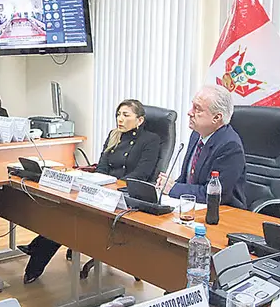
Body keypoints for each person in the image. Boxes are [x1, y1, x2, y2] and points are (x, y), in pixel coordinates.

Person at [19, 100, 162, 284]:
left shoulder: (150, 140)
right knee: (66, 211)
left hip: (125, 197)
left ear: (140, 120)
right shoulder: (114, 135)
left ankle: (37, 256)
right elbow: (102, 165)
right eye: (118, 114)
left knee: (72, 219)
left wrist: (111, 187)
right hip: (103, 190)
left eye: (126, 115)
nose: (120, 119)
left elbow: (141, 174)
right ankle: (38, 251)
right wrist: (96, 183)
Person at [157, 85, 246, 208]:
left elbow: (213, 194)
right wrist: (167, 185)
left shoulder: (230, 146)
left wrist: (173, 188)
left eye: (197, 109)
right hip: (193, 207)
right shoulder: (196, 135)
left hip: (224, 213)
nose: (189, 113)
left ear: (217, 117)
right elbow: (186, 179)